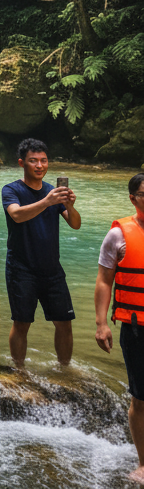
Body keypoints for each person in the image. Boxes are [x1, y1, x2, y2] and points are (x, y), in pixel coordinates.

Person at [1, 137, 81, 366]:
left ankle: (64, 370)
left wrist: (69, 205)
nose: (39, 166)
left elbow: (75, 224)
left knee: (64, 322)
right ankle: (19, 371)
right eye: (33, 161)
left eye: (43, 161)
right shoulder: (11, 190)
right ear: (21, 163)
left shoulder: (52, 193)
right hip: (21, 267)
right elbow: (16, 214)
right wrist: (47, 201)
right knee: (22, 322)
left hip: (52, 268)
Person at [94, 172, 144, 484]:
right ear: (133, 198)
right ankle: (143, 462)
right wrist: (101, 324)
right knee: (141, 398)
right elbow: (103, 281)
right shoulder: (118, 235)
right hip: (137, 327)